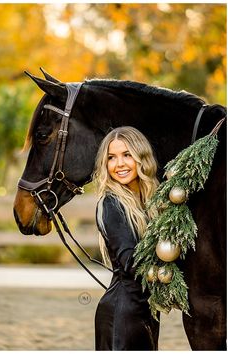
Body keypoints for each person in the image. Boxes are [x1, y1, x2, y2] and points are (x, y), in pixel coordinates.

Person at [92, 126, 160, 350]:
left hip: (146, 310)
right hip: (122, 313)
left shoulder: (150, 201)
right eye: (111, 158)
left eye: (127, 155)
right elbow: (131, 262)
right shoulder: (112, 203)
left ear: (142, 158)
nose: (119, 164)